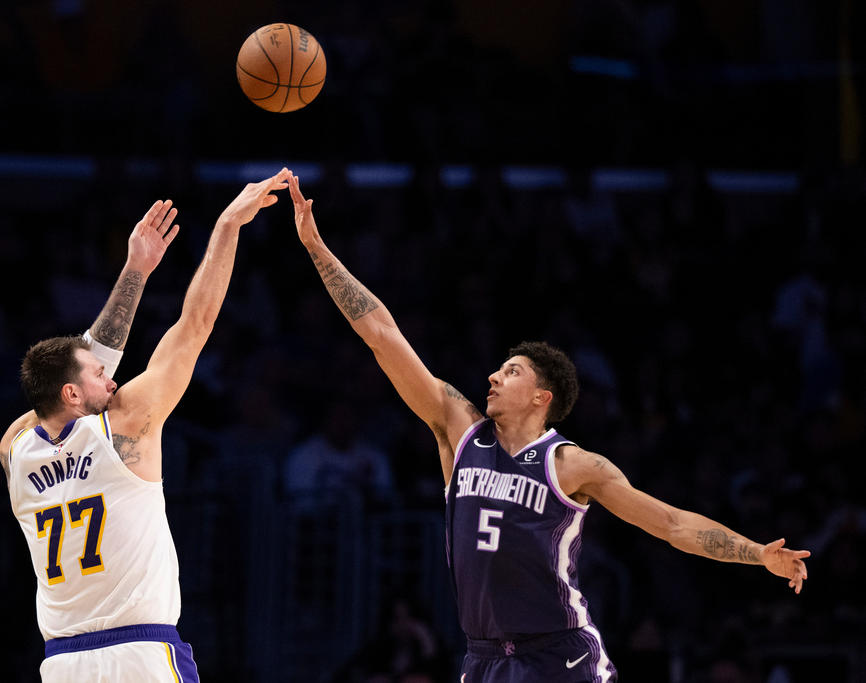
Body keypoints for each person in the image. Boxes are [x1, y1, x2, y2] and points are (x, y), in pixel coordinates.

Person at [284, 169, 810, 683]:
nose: (492, 375)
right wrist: (315, 247)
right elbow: (382, 333)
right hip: (484, 658)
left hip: (560, 658)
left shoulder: (572, 464)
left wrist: (755, 553)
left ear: (541, 397)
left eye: (510, 371)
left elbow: (671, 525)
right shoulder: (458, 429)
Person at [0, 169, 289, 683]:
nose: (111, 377)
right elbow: (195, 324)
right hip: (138, 653)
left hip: (62, 663)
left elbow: (59, 389)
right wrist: (227, 226)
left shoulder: (15, 448)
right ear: (72, 393)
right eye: (98, 374)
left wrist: (136, 269)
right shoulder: (125, 423)